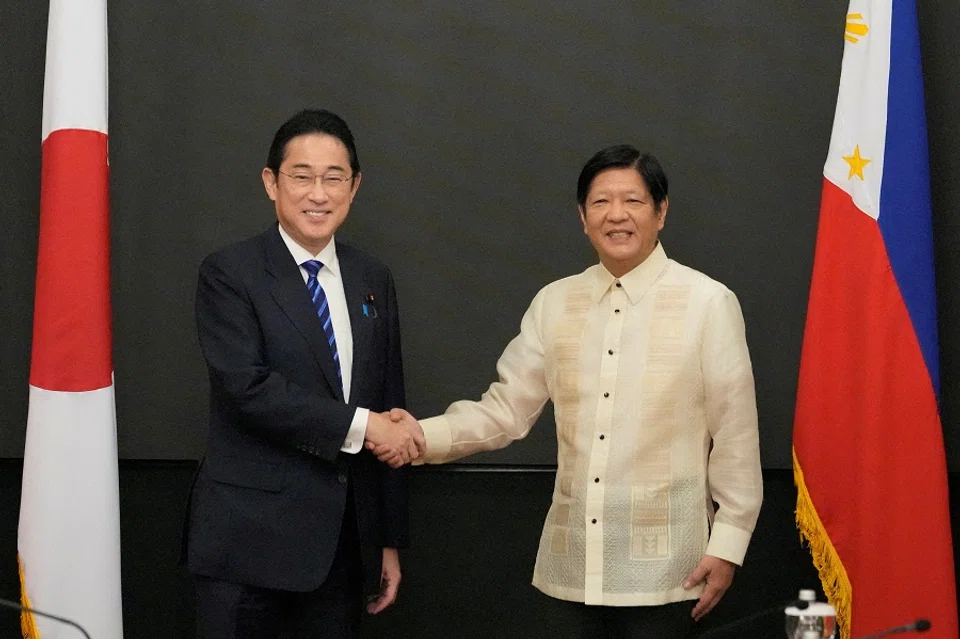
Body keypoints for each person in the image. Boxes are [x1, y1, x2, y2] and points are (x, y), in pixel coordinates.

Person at [375, 145, 763, 638]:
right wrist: (416, 436)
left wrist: (728, 544)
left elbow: (735, 432)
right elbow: (504, 411)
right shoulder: (555, 302)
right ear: (582, 217)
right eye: (600, 202)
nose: (616, 215)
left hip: (671, 575)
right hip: (569, 569)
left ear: (662, 212)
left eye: (633, 201)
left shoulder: (708, 302)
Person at [183, 109, 424, 639]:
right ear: (271, 182)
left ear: (354, 186)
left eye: (334, 177)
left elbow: (390, 398)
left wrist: (386, 538)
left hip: (342, 551)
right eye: (302, 176)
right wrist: (366, 427)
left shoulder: (371, 277)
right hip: (247, 549)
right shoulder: (230, 273)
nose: (319, 193)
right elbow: (249, 389)